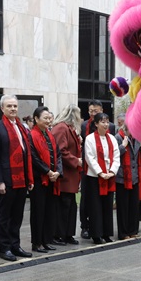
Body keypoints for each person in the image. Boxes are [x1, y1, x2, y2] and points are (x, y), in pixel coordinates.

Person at [0, 95, 34, 261]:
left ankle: (15, 245)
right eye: (9, 106)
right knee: (4, 216)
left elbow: (26, 153)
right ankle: (5, 248)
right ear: (2, 108)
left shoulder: (22, 127)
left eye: (15, 106)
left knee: (17, 215)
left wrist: (29, 178)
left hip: (21, 178)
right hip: (7, 180)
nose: (13, 109)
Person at [28, 106, 61, 252]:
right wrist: (47, 171)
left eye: (49, 118)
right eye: (45, 118)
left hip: (52, 179)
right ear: (36, 119)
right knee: (38, 212)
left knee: (49, 211)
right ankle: (37, 242)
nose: (48, 121)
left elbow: (58, 154)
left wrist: (58, 172)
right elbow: (34, 158)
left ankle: (47, 240)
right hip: (39, 179)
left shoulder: (49, 134)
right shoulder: (31, 135)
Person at [83, 113, 119, 244]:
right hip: (94, 177)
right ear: (96, 124)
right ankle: (96, 234)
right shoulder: (90, 139)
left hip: (109, 176)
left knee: (107, 206)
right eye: (102, 122)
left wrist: (111, 171)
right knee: (95, 206)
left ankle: (107, 233)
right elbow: (90, 158)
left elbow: (116, 156)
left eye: (107, 121)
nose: (105, 124)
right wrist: (100, 172)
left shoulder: (112, 139)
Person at [51, 105, 83, 245]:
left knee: (70, 205)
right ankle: (59, 234)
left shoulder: (68, 128)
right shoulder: (61, 128)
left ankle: (68, 234)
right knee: (63, 206)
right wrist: (76, 161)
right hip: (65, 175)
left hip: (71, 174)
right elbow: (60, 151)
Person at [114, 115, 141, 240]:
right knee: (123, 207)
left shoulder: (137, 138)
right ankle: (123, 232)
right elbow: (114, 155)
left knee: (134, 205)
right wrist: (123, 146)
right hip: (122, 177)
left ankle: (133, 230)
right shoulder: (118, 137)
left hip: (135, 177)